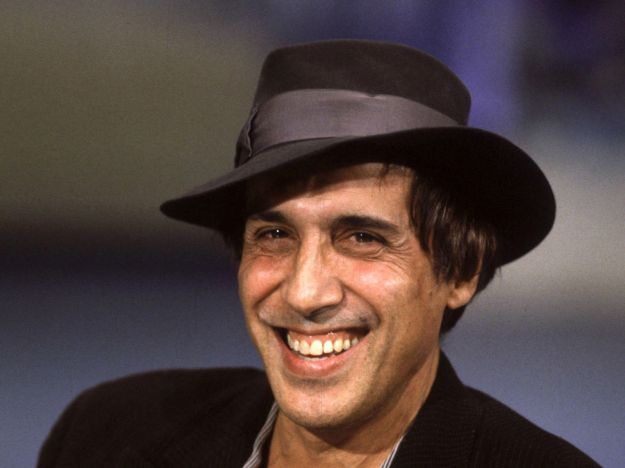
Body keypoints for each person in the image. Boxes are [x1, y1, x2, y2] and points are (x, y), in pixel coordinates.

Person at [38, 40, 598, 467]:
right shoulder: (104, 436)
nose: (305, 293)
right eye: (274, 235)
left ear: (462, 271)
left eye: (363, 238)